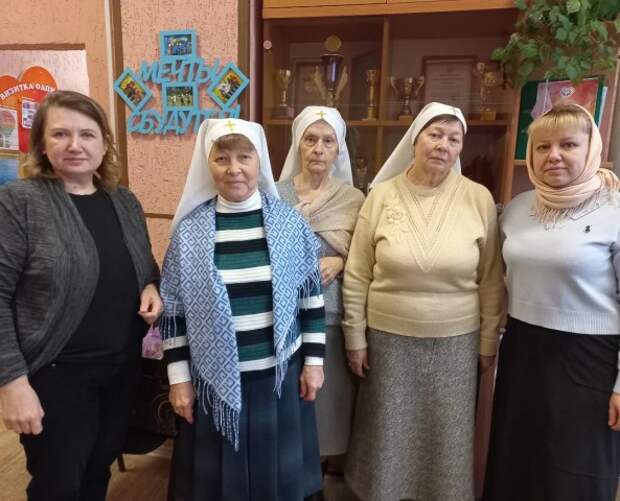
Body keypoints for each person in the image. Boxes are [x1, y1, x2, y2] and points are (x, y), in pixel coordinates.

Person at [0, 90, 162, 501]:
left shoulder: (123, 201)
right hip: (55, 374)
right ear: (41, 144)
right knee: (59, 483)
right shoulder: (19, 202)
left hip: (119, 368)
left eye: (87, 135)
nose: (75, 145)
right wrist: (12, 384)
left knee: (97, 470)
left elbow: (146, 267)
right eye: (61, 134)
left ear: (104, 144)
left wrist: (150, 287)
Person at [342, 102, 506, 501]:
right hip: (387, 342)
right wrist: (354, 337)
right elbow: (357, 272)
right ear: (415, 140)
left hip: (456, 343)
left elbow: (490, 279)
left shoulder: (479, 198)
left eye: (454, 139)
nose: (443, 146)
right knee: (387, 434)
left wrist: (487, 342)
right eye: (434, 135)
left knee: (446, 437)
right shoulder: (381, 196)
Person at [161, 118, 326, 500]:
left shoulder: (290, 225)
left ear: (259, 162)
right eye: (222, 158)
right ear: (208, 165)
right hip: (212, 385)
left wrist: (314, 363)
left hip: (279, 379)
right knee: (218, 486)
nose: (234, 168)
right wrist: (179, 380)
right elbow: (174, 314)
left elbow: (311, 299)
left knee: (277, 483)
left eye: (244, 157)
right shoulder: (189, 233)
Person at [484, 103, 620, 501]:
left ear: (591, 148)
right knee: (517, 461)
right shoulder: (517, 209)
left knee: (574, 470)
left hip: (590, 360)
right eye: (542, 147)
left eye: (568, 145)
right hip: (523, 350)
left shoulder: (615, 211)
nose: (554, 156)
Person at [277, 106, 365, 464]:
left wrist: (342, 261)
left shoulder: (353, 199)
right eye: (310, 139)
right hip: (281, 319)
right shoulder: (274, 194)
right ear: (298, 144)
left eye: (328, 141)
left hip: (331, 316)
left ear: (338, 149)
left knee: (327, 410)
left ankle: (318, 479)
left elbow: (367, 254)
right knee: (285, 407)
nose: (318, 149)